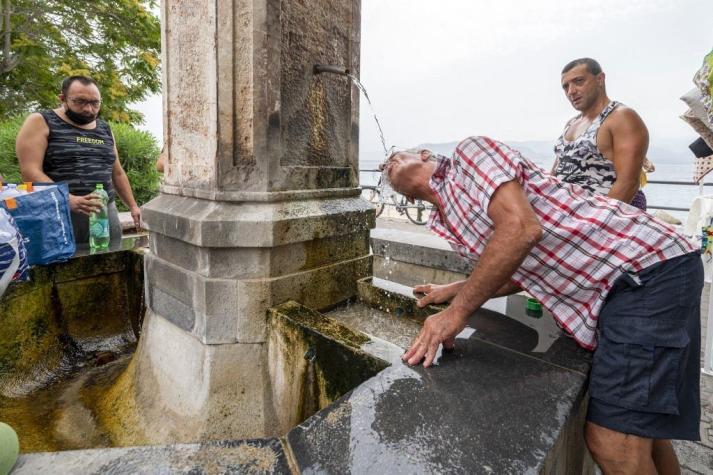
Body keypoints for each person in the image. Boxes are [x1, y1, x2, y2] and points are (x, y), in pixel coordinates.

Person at [382, 136, 702, 474]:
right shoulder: (444, 220)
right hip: (631, 281)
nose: (385, 164)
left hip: (640, 269)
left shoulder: (468, 156)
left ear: (424, 154)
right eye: (383, 168)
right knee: (641, 431)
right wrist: (456, 290)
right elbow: (519, 267)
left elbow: (521, 229)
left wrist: (457, 312)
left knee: (612, 443)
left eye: (393, 156)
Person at [15, 75, 141, 244]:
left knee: (110, 261)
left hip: (104, 212)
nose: (89, 109)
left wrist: (133, 206)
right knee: (66, 266)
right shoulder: (41, 121)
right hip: (59, 212)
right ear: (63, 99)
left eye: (95, 103)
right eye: (80, 102)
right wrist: (66, 198)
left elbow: (117, 172)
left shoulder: (104, 128)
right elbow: (30, 172)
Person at [551, 58, 649, 210]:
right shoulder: (571, 123)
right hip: (566, 215)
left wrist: (591, 224)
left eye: (578, 81)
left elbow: (628, 183)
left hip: (602, 220)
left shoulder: (620, 117)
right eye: (566, 86)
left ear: (600, 79)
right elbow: (555, 175)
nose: (571, 91)